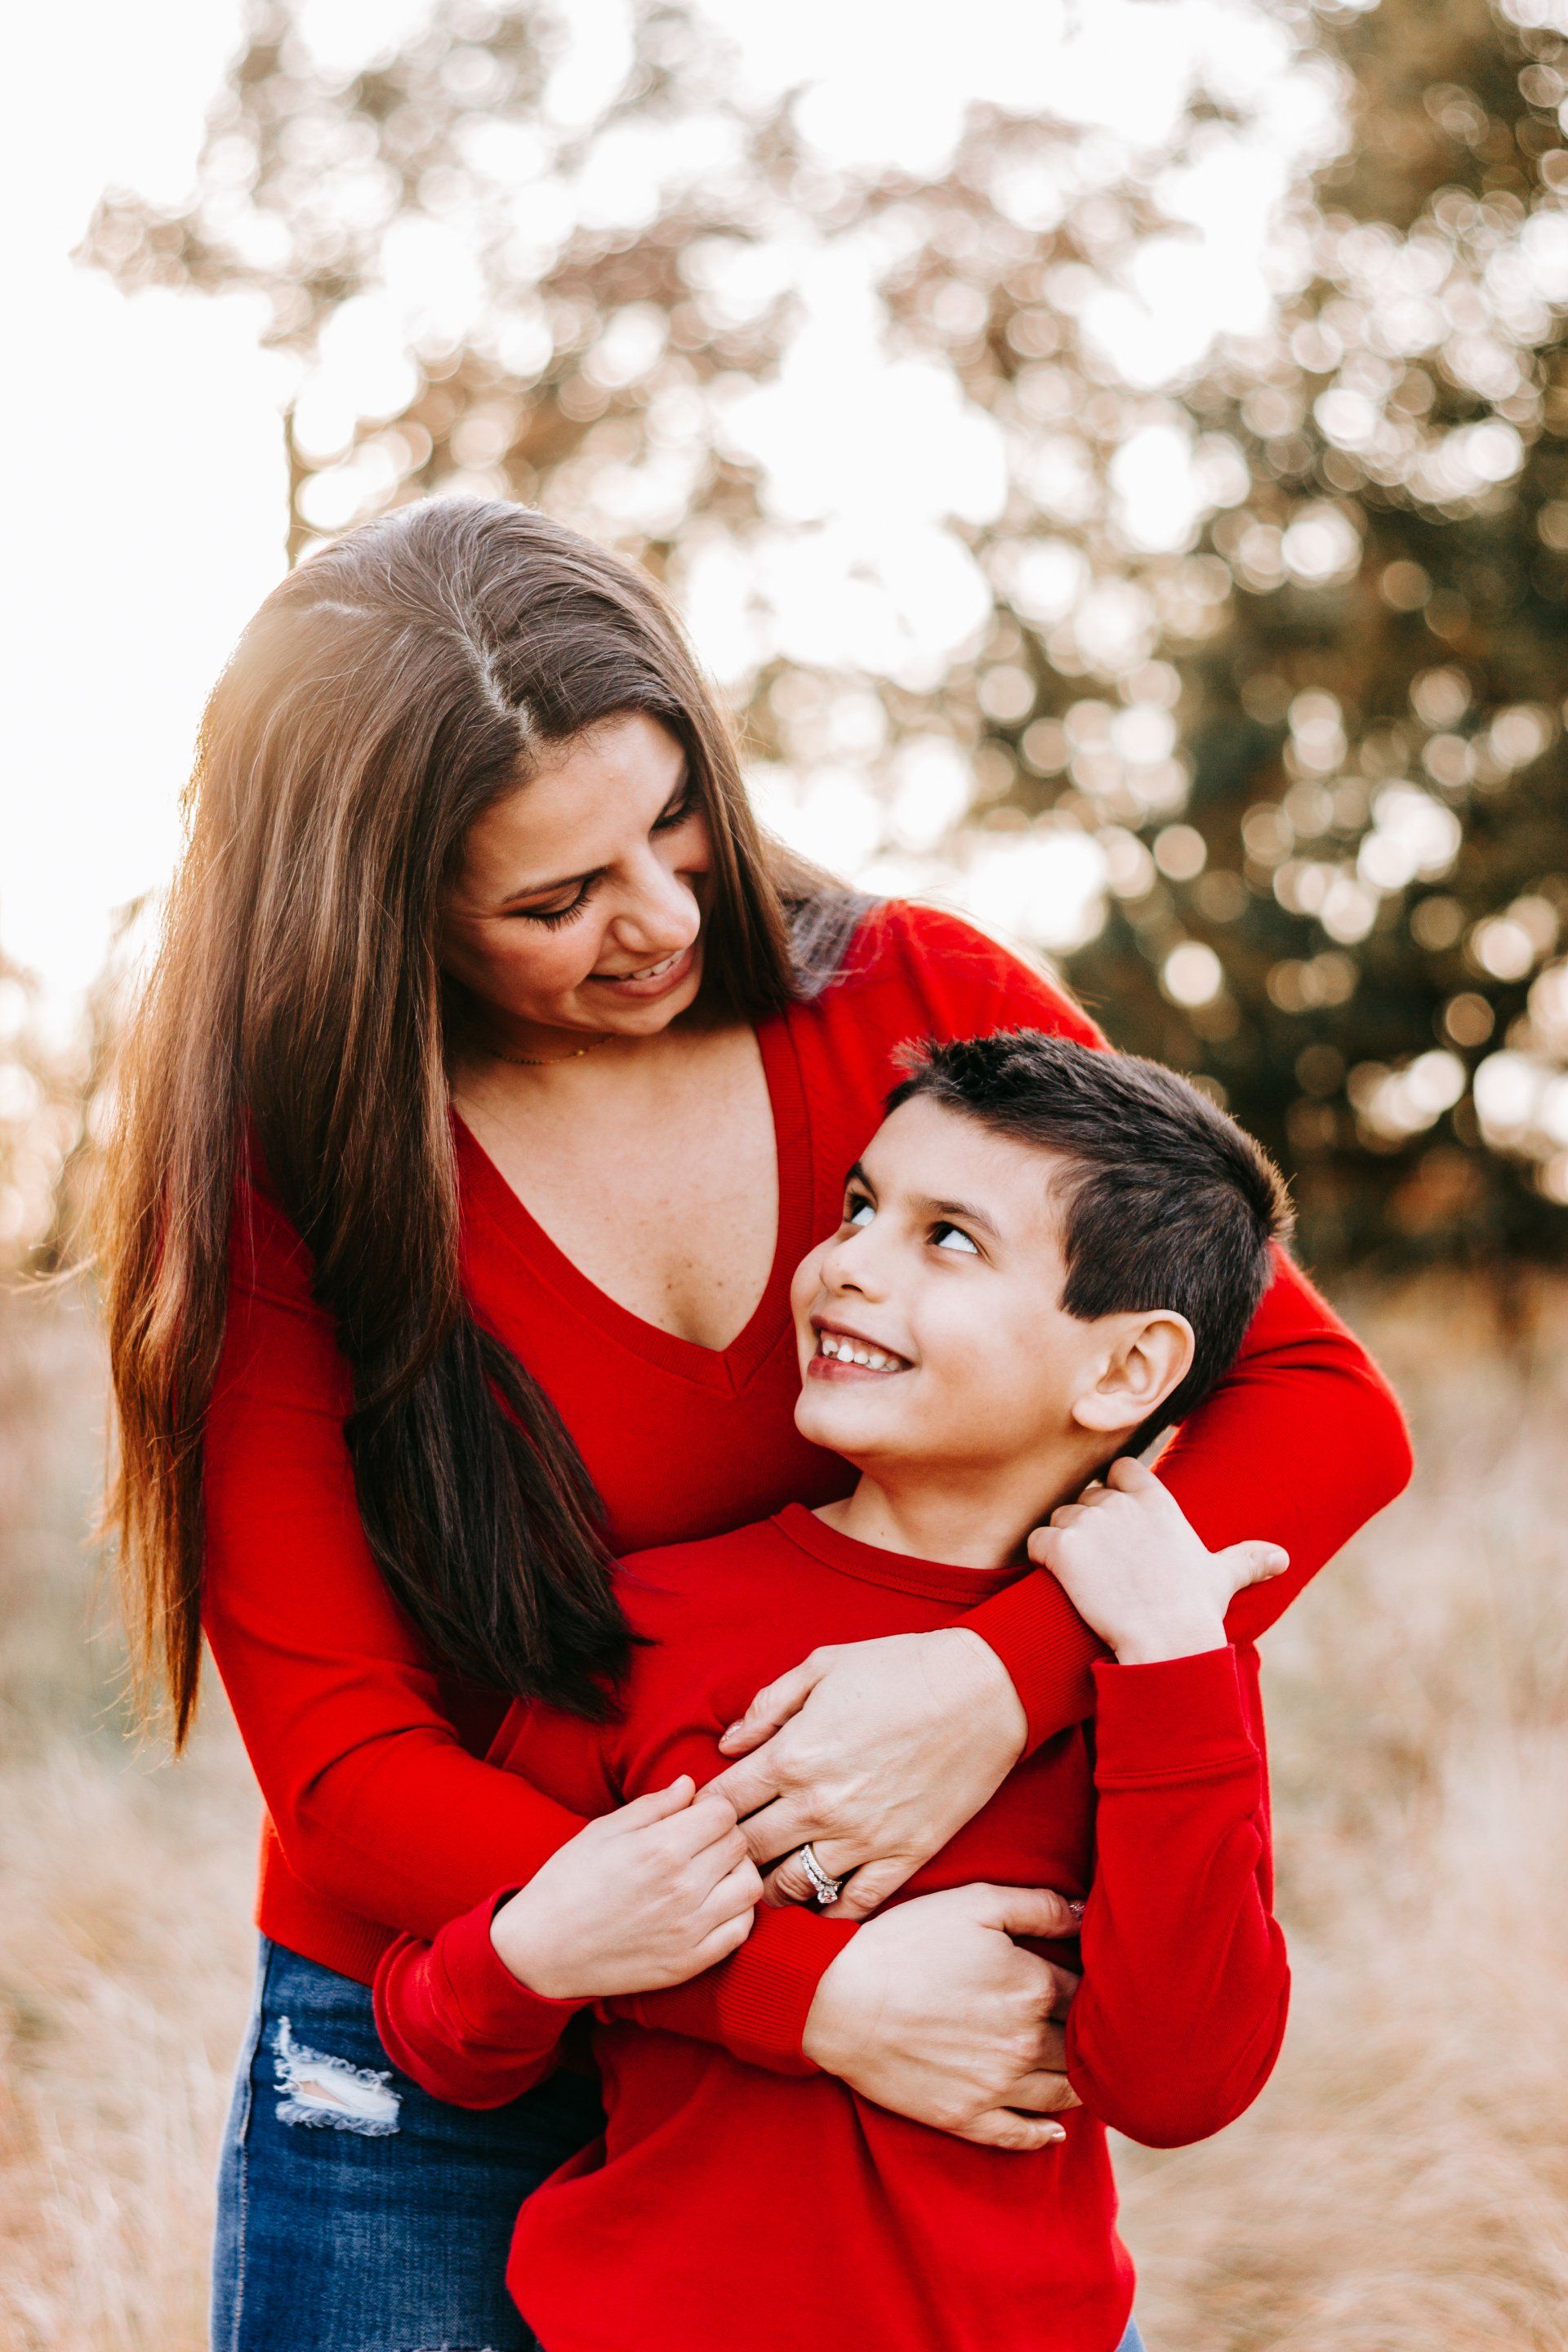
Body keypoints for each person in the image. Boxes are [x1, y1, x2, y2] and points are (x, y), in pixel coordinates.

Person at [96, 499, 1411, 2352]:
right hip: (453, 2022)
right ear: (379, 910)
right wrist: (801, 1986)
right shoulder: (282, 1174)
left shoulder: (912, 996)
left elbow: (1316, 1406)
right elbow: (346, 1763)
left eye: (673, 819)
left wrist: (999, 1684)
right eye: (554, 899)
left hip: (832, 2128)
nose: (662, 918)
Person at [374, 1030, 1298, 2352]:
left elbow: (1180, 2084)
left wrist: (1173, 1668)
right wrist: (534, 1951)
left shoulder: (1162, 1665)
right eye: (863, 1206)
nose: (847, 1261)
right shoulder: (654, 1623)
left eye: (950, 1240)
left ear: (1125, 1371)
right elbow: (442, 2029)